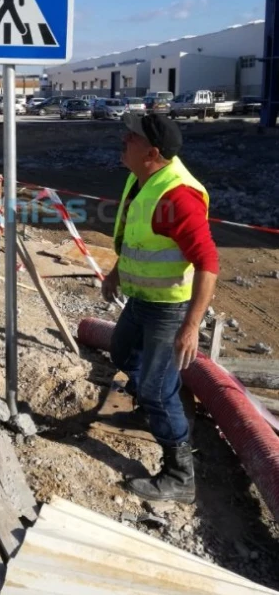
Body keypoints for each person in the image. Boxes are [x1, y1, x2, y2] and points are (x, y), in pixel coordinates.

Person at [101, 112, 219, 503]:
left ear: (151, 152)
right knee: (121, 351)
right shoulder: (144, 180)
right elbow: (141, 239)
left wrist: (191, 326)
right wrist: (117, 273)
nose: (123, 139)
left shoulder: (177, 196)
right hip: (142, 298)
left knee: (157, 386)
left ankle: (180, 475)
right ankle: (150, 407)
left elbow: (208, 263)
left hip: (168, 307)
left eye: (130, 137)